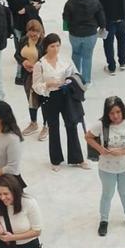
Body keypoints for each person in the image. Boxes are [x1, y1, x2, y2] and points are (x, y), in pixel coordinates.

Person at [84, 96, 125, 236]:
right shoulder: (101, 125)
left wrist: (121, 152)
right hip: (107, 168)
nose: (115, 116)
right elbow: (88, 137)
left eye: (118, 112)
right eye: (111, 113)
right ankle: (104, 220)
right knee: (107, 194)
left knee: (124, 192)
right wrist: (100, 149)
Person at [32, 34, 87, 170]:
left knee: (71, 124)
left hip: (66, 94)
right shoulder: (40, 65)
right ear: (46, 47)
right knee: (54, 127)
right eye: (52, 46)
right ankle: (56, 160)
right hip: (50, 97)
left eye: (57, 45)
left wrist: (69, 81)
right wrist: (47, 85)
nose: (55, 49)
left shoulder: (65, 60)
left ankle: (77, 158)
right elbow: (36, 86)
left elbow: (75, 74)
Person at [0, 174, 42, 248]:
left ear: (14, 191)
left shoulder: (29, 202)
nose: (2, 198)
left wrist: (13, 237)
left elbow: (37, 231)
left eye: (6, 194)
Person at [62, 0, 106, 86]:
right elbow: (101, 17)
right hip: (90, 34)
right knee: (87, 56)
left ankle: (76, 79)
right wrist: (102, 27)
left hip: (75, 34)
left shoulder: (70, 2)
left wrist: (67, 28)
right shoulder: (94, 0)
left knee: (76, 54)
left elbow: (65, 18)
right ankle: (86, 81)